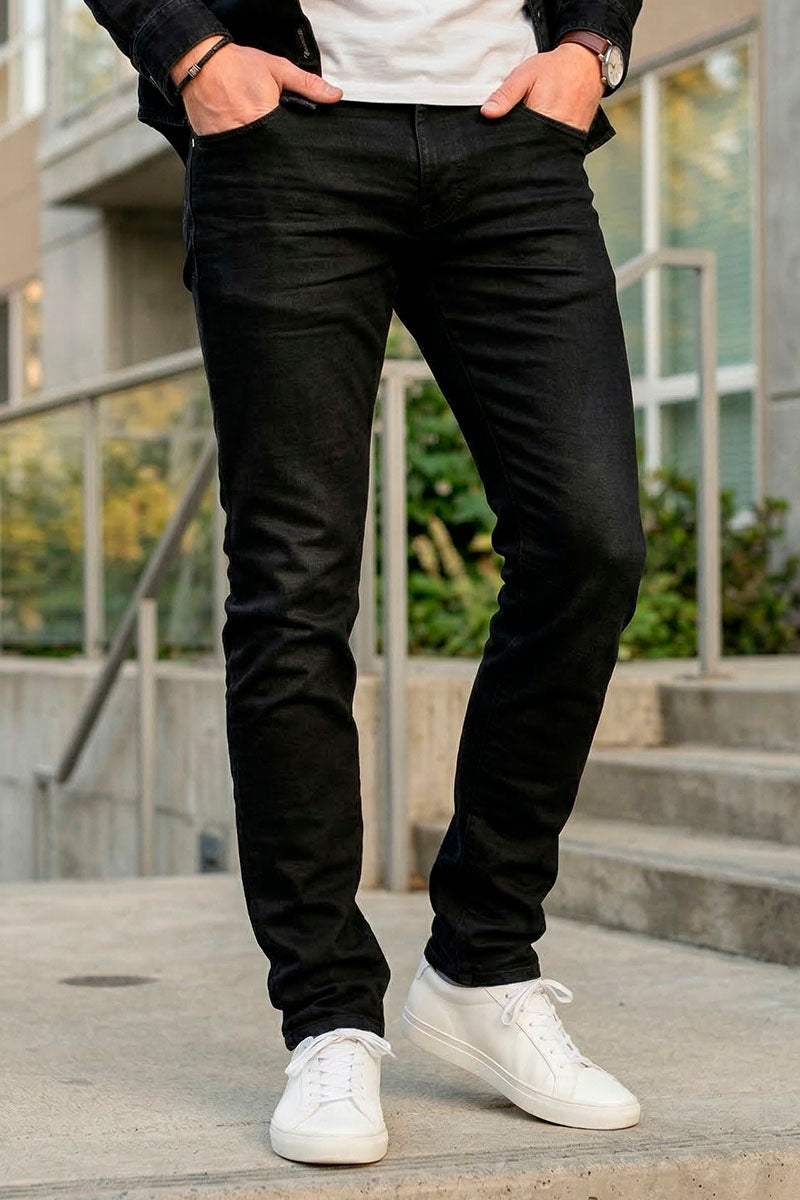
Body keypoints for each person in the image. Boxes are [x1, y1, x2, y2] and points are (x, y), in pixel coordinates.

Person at [83, 0, 647, 1167]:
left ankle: (481, 967)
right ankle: (328, 1014)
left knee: (587, 541)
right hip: (285, 135)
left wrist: (590, 46)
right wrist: (188, 49)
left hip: (512, 133)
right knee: (291, 583)